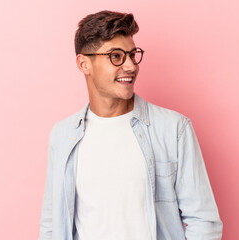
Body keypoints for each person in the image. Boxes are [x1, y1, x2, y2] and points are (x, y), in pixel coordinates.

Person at [39, 10, 223, 240]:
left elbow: (204, 222)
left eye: (132, 55)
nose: (131, 66)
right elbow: (52, 224)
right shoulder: (63, 135)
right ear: (84, 63)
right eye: (116, 56)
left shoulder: (174, 129)